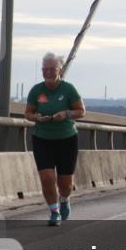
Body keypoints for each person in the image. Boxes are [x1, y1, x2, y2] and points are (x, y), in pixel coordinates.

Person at [25, 52, 85, 226]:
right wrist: (37, 117)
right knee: (47, 177)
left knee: (65, 184)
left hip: (66, 138)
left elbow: (81, 111)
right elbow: (28, 113)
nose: (48, 72)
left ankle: (64, 200)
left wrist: (66, 114)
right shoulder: (36, 90)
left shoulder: (68, 89)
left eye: (52, 69)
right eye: (45, 69)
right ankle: (54, 211)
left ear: (60, 70)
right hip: (42, 138)